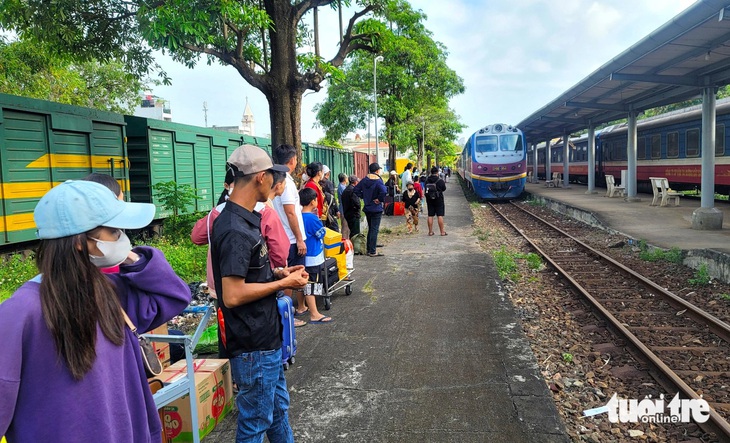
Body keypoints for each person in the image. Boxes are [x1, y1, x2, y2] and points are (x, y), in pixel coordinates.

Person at [0, 180, 191, 443]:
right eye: (114, 230)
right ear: (80, 242)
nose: (123, 238)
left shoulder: (108, 292)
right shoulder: (19, 314)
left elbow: (174, 296)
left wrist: (128, 256)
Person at [210, 145, 309, 443]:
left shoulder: (244, 219)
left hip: (265, 340)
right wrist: (281, 286)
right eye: (272, 177)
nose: (275, 185)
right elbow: (233, 294)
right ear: (260, 178)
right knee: (255, 423)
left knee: (277, 410)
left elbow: (248, 274)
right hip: (253, 345)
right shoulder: (235, 229)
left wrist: (279, 273)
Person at [255, 170, 306, 328]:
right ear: (278, 185)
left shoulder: (264, 204)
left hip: (271, 255)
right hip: (279, 251)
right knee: (285, 283)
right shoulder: (266, 209)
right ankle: (287, 315)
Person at [272, 144, 308, 318]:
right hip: (292, 239)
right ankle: (288, 317)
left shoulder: (279, 179)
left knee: (289, 275)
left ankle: (291, 311)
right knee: (290, 277)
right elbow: (290, 212)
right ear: (292, 160)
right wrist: (300, 238)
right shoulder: (286, 182)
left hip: (286, 236)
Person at [298, 187, 334, 324]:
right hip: (314, 256)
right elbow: (321, 233)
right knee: (312, 285)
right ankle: (314, 314)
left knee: (302, 282)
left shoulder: (298, 216)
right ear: (313, 201)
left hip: (304, 256)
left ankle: (301, 307)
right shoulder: (312, 218)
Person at [354, 163, 387, 257]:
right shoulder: (378, 181)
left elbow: (356, 190)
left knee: (370, 228)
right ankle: (372, 251)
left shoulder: (364, 180)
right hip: (376, 208)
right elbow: (384, 191)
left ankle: (369, 248)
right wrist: (379, 199)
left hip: (368, 207)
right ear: (377, 171)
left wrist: (364, 196)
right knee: (374, 229)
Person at [425, 166, 448, 236]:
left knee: (430, 215)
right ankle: (442, 232)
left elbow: (425, 188)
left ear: (431, 173)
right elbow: (444, 189)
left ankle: (430, 232)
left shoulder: (427, 180)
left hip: (429, 199)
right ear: (437, 172)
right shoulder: (440, 180)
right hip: (438, 199)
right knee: (440, 215)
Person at [337, 173, 350, 239]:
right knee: (345, 227)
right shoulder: (342, 188)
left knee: (346, 226)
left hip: (344, 208)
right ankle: (344, 241)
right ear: (344, 179)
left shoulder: (342, 186)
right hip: (344, 209)